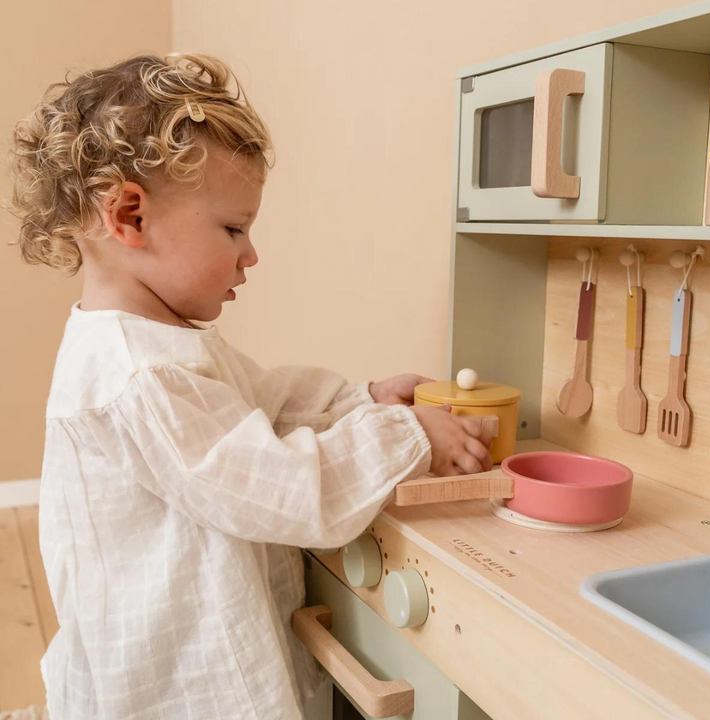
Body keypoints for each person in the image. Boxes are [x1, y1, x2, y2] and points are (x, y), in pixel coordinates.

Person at [5, 52, 493, 719]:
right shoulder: (136, 372)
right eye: (234, 228)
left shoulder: (159, 342)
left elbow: (260, 404)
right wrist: (405, 436)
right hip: (174, 687)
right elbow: (279, 488)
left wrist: (361, 399)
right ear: (129, 217)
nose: (250, 253)